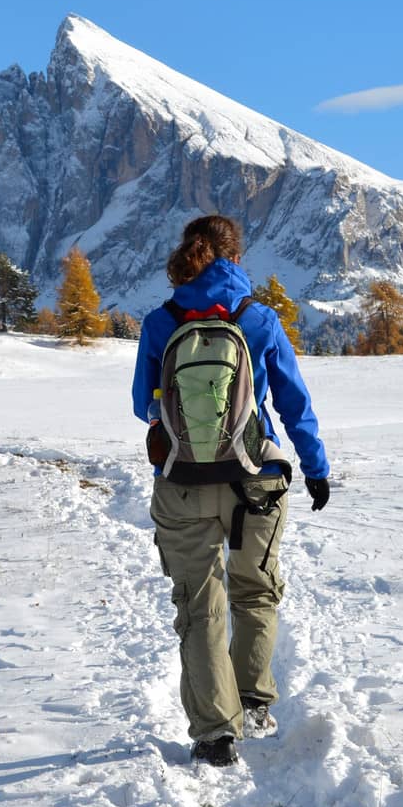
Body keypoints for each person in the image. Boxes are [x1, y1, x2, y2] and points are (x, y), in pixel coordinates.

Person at [132, 215, 331, 767]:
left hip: (181, 485)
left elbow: (139, 405)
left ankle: (215, 733)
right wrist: (315, 468)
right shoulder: (259, 318)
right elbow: (294, 404)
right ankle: (252, 702)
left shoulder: (160, 321)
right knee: (255, 591)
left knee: (200, 608)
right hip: (254, 484)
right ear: (236, 259)